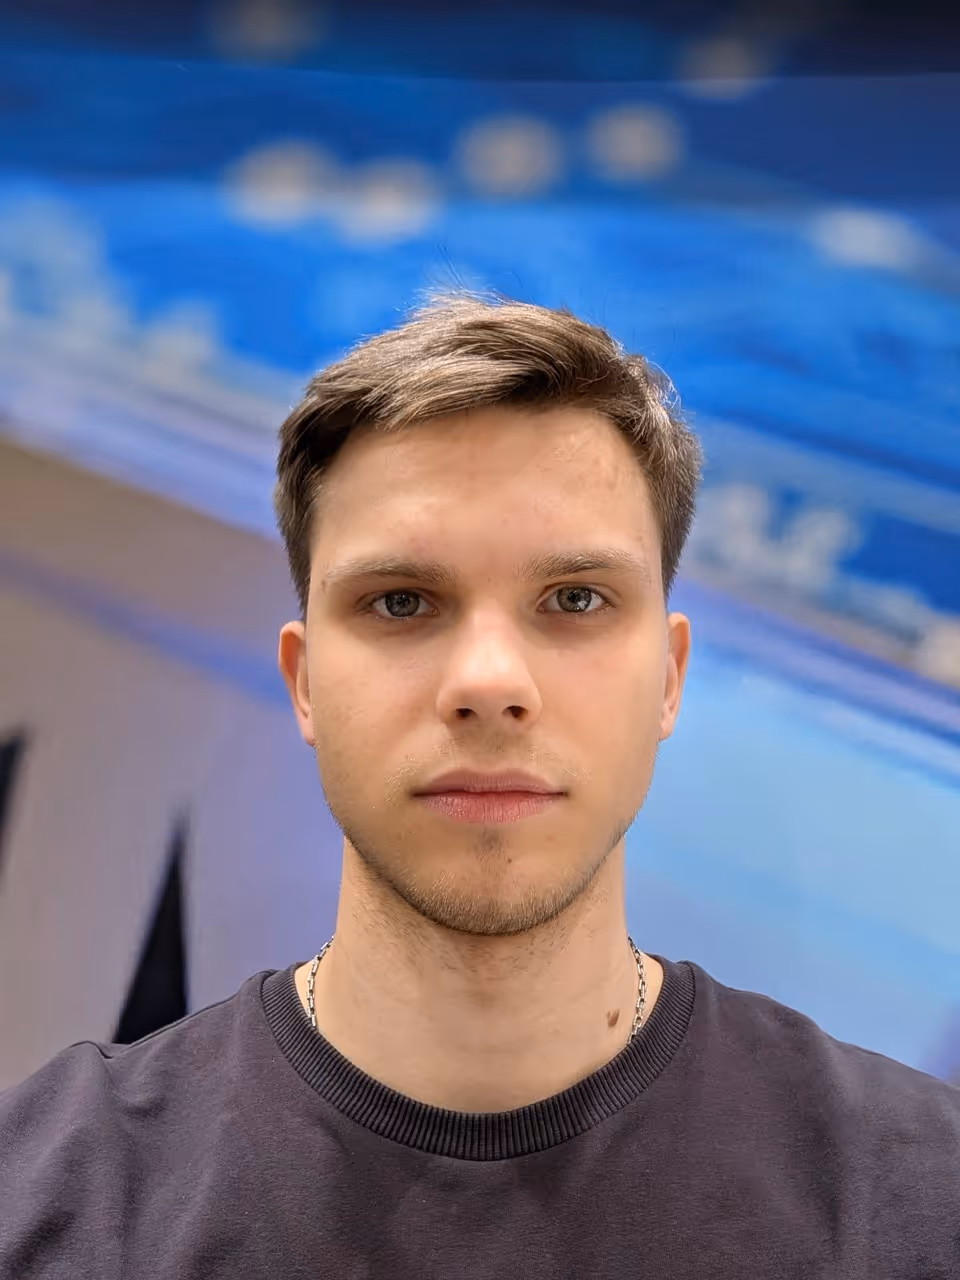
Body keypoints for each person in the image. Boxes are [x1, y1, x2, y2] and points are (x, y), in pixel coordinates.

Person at [1, 294, 958, 1279]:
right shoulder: (43, 1202)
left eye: (575, 598)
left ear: (669, 679)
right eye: (401, 601)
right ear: (304, 681)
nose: (490, 682)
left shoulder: (919, 1200)